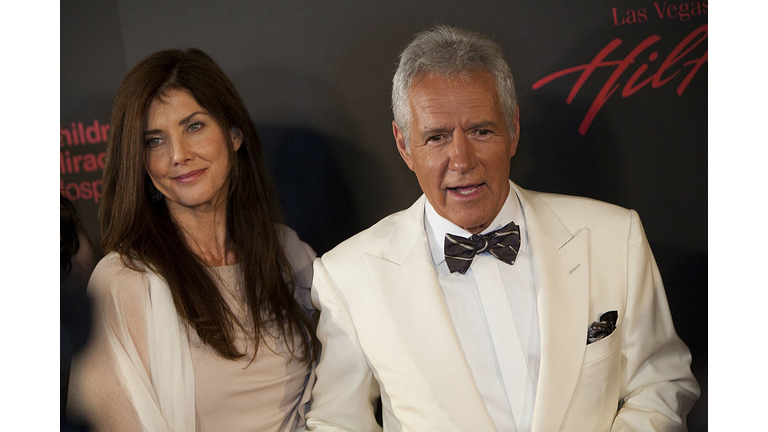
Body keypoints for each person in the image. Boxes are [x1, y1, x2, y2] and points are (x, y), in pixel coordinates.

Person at [305, 25, 699, 432]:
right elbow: (337, 422)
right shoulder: (349, 277)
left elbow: (661, 380)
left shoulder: (615, 237)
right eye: (437, 137)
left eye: (480, 131)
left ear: (512, 129)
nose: (461, 160)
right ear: (404, 145)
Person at [67, 48, 320, 432]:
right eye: (154, 141)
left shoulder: (286, 250)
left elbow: (339, 385)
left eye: (194, 126)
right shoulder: (124, 281)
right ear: (140, 161)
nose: (178, 155)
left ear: (233, 134)